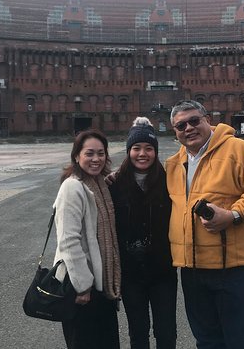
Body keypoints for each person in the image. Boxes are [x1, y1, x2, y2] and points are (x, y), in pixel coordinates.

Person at [165, 100, 244, 349]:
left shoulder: (237, 149)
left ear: (207, 119)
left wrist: (233, 215)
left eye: (194, 121)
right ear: (175, 130)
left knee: (240, 341)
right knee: (207, 341)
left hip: (234, 267)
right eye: (181, 125)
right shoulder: (175, 163)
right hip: (193, 268)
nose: (189, 128)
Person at [109, 117, 177, 349]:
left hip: (163, 271)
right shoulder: (114, 184)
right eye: (136, 148)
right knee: (138, 332)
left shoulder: (169, 181)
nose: (142, 153)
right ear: (128, 151)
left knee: (167, 332)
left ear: (155, 151)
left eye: (149, 148)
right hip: (131, 274)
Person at [53, 129, 121, 349]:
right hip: (82, 288)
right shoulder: (72, 187)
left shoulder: (100, 184)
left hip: (101, 287)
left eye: (101, 153)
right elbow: (68, 240)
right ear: (76, 156)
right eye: (89, 153)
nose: (96, 159)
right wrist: (83, 286)